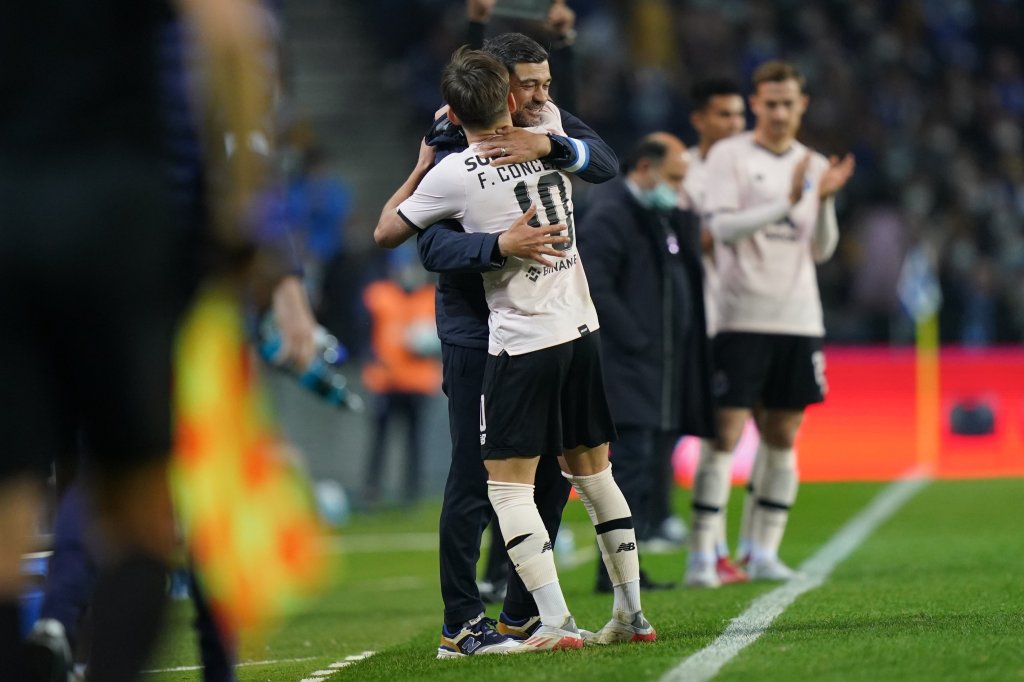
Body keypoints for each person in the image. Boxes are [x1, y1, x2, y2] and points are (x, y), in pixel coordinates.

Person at [0, 0, 277, 679]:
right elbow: (235, 37)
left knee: (9, 507)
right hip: (122, 214)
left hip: (9, 212)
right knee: (137, 504)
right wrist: (239, 211)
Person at [377, 47, 656, 651]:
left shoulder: (547, 128)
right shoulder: (469, 145)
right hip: (495, 335)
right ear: (505, 91)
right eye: (527, 86)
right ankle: (464, 618)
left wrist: (553, 146)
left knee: (541, 483)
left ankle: (534, 616)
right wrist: (499, 244)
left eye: (544, 85)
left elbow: (603, 159)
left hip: (534, 334)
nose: (538, 96)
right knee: (482, 480)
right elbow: (431, 251)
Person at [684, 60, 855, 586]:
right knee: (725, 435)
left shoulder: (814, 162)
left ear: (802, 106)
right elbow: (723, 229)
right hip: (740, 316)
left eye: (789, 103)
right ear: (755, 104)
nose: (780, 113)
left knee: (783, 433)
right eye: (770, 103)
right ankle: (702, 557)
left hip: (798, 316)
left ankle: (762, 552)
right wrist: (788, 200)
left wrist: (821, 199)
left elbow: (822, 249)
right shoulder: (729, 156)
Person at [576, 133, 715, 593]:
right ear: (643, 169)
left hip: (653, 368)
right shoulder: (613, 214)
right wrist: (637, 340)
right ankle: (611, 576)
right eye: (673, 178)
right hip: (624, 367)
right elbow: (598, 285)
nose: (677, 190)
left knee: (639, 470)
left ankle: (620, 574)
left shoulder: (654, 214)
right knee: (628, 470)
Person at [679, 77, 753, 588]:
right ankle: (702, 556)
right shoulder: (683, 171)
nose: (735, 125)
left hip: (740, 316)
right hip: (695, 322)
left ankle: (713, 551)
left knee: (723, 434)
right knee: (710, 433)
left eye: (739, 116)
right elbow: (688, 240)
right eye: (724, 115)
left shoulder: (753, 171)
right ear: (699, 119)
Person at [361, 248, 441, 507]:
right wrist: (372, 358)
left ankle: (411, 491)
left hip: (417, 381)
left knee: (414, 440)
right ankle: (372, 489)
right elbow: (363, 331)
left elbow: (445, 337)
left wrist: (430, 344)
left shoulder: (431, 297)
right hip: (385, 380)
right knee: (379, 440)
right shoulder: (380, 294)